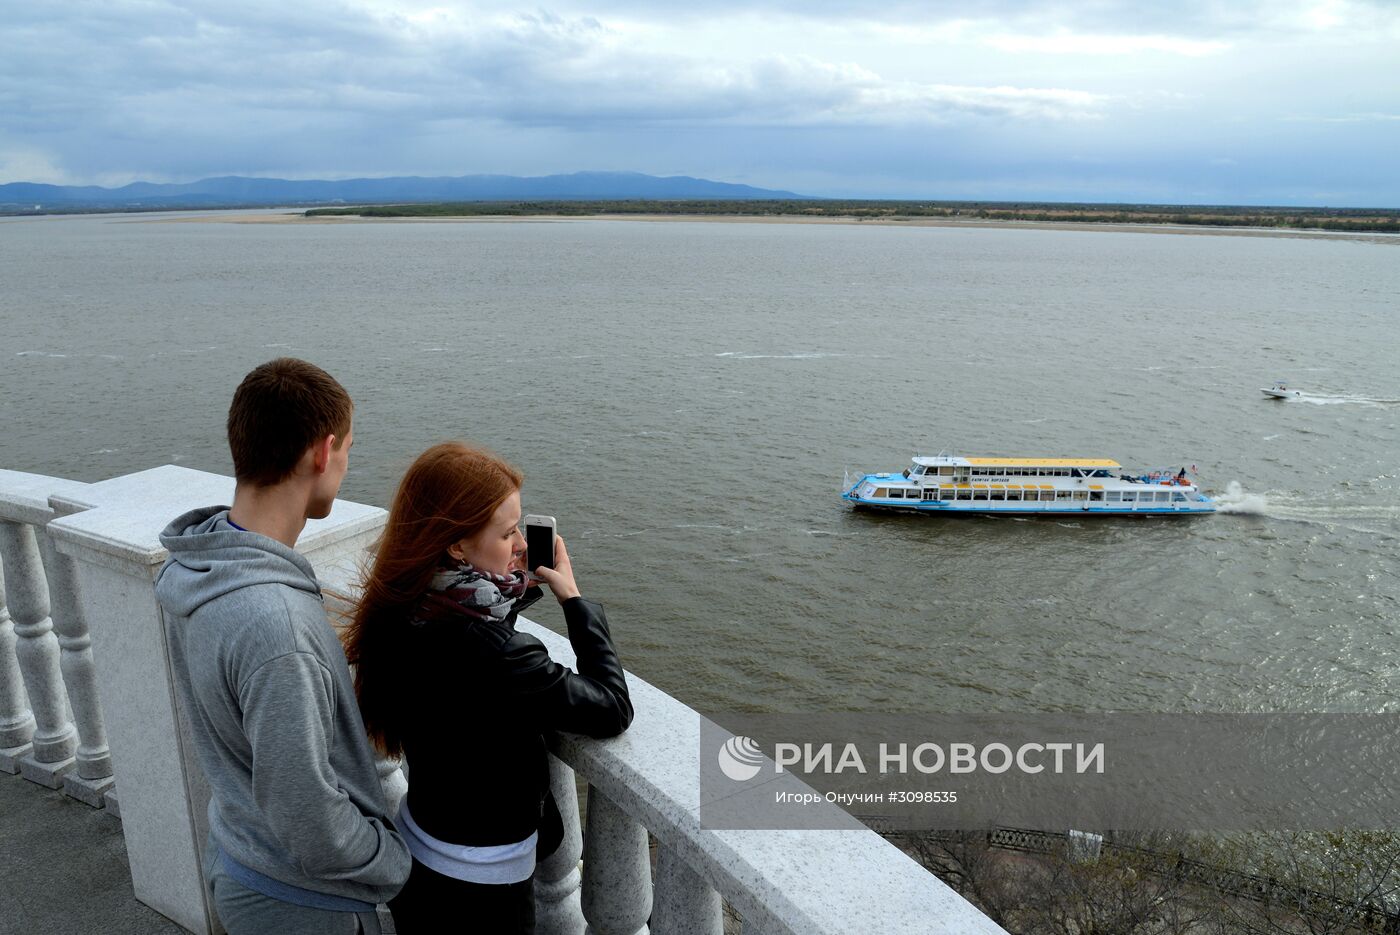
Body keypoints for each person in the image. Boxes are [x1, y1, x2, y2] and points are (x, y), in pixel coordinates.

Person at [154, 358, 411, 934]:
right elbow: (307, 814)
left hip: (242, 859)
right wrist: (391, 862)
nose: (345, 462)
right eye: (347, 448)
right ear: (322, 453)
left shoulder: (200, 564)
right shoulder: (276, 625)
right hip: (305, 901)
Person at [343, 442, 633, 934]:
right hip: (483, 891)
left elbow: (470, 636)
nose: (520, 542)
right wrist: (575, 602)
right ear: (456, 546)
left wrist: (521, 586)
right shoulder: (501, 655)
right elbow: (611, 708)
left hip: (423, 855)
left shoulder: (406, 608)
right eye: (507, 532)